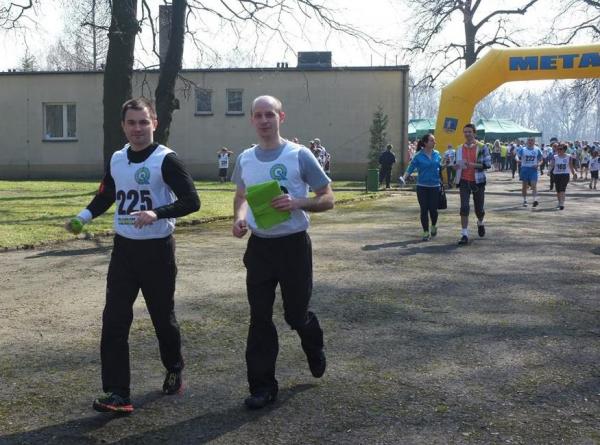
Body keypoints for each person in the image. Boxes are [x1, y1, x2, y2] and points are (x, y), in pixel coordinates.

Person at [65, 98, 200, 413]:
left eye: (143, 122)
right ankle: (117, 393)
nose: (137, 129)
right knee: (114, 320)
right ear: (123, 126)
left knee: (162, 318)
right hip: (124, 250)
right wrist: (83, 217)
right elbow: (107, 195)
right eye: (131, 123)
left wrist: (157, 212)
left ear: (154, 123)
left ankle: (174, 367)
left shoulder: (166, 160)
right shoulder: (117, 159)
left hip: (157, 251)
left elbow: (192, 201)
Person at [231, 95, 334, 410]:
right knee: (259, 317)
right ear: (252, 119)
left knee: (296, 314)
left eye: (270, 115)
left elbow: (327, 197)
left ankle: (313, 345)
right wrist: (238, 218)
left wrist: (298, 202)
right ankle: (262, 387)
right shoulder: (245, 158)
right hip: (260, 247)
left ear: (281, 117)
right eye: (258, 115)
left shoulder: (299, 155)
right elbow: (241, 196)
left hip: (293, 246)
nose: (264, 120)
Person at [453, 123, 491, 245]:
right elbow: (456, 163)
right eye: (465, 132)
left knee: (479, 209)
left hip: (478, 181)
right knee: (464, 207)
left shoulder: (482, 147)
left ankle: (480, 222)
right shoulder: (459, 148)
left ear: (474, 133)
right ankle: (464, 234)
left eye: (470, 132)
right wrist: (455, 166)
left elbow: (487, 164)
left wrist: (472, 165)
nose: (467, 134)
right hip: (463, 180)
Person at [400, 133, 442, 241]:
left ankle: (433, 225)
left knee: (433, 210)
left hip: (435, 186)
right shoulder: (418, 155)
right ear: (425, 143)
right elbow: (410, 168)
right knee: (424, 209)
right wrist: (404, 178)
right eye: (432, 140)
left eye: (434, 140)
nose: (434, 142)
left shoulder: (437, 154)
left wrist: (446, 164)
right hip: (422, 187)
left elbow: (440, 167)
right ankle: (425, 232)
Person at [549, 143, 577, 210]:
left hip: (565, 175)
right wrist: (549, 171)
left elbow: (571, 166)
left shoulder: (569, 157)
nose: (559, 150)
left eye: (560, 149)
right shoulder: (555, 157)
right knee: (558, 190)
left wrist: (574, 173)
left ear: (564, 149)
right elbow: (552, 165)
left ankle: (562, 204)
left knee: (562, 189)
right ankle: (559, 202)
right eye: (558, 149)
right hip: (556, 175)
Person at [517, 137, 543, 207]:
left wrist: (538, 164)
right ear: (527, 141)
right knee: (524, 186)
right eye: (529, 140)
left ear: (534, 142)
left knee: (533, 185)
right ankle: (525, 200)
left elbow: (541, 160)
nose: (530, 142)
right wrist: (517, 160)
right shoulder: (523, 149)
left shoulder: (537, 149)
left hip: (533, 169)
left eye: (532, 140)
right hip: (524, 169)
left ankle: (535, 200)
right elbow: (517, 156)